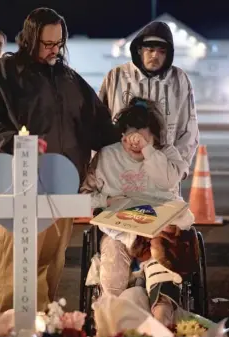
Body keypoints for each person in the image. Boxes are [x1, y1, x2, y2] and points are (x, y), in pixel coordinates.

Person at [0, 7, 120, 312]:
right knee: (19, 266)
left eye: (59, 44)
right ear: (29, 39)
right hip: (20, 184)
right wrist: (17, 143)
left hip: (63, 186)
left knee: (51, 263)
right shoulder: (3, 73)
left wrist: (130, 138)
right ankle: (13, 326)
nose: (54, 51)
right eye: (47, 44)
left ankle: (42, 324)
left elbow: (98, 125)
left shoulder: (69, 78)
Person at [80, 97, 194, 327]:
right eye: (129, 135)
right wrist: (106, 199)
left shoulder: (166, 153)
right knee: (112, 278)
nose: (133, 142)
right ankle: (114, 323)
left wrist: (149, 152)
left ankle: (162, 321)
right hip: (119, 232)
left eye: (142, 135)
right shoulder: (106, 156)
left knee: (162, 267)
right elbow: (84, 195)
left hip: (159, 232)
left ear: (155, 136)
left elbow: (167, 180)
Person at [99, 21, 199, 178]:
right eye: (150, 50)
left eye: (161, 51)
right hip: (120, 170)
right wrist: (100, 165)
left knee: (165, 204)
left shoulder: (179, 80)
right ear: (139, 50)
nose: (155, 55)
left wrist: (177, 169)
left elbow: (188, 129)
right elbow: (99, 124)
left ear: (168, 54)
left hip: (162, 169)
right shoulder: (116, 76)